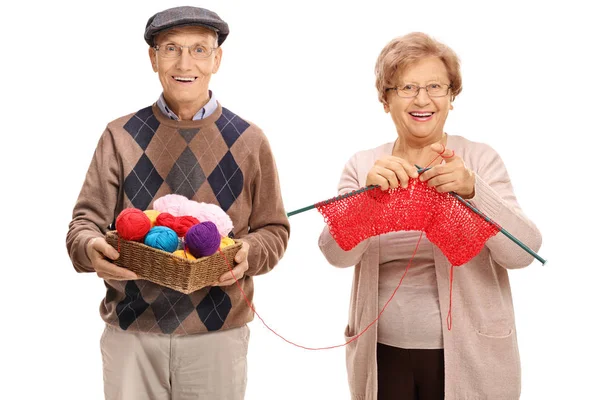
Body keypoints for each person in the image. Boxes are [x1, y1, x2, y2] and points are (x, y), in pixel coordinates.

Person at [66, 6, 290, 400]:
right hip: (132, 332)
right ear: (153, 58)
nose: (185, 63)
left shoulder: (250, 140)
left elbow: (275, 229)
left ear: (217, 58)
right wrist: (90, 249)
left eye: (199, 50)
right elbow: (84, 223)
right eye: (171, 48)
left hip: (218, 334)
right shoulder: (119, 136)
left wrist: (250, 253)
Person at [318, 32, 542, 400]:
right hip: (382, 353)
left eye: (435, 86)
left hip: (472, 354)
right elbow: (335, 254)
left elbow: (523, 252)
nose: (422, 99)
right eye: (406, 87)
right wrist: (366, 201)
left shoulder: (480, 160)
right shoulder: (363, 165)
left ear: (451, 97)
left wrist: (474, 191)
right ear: (385, 98)